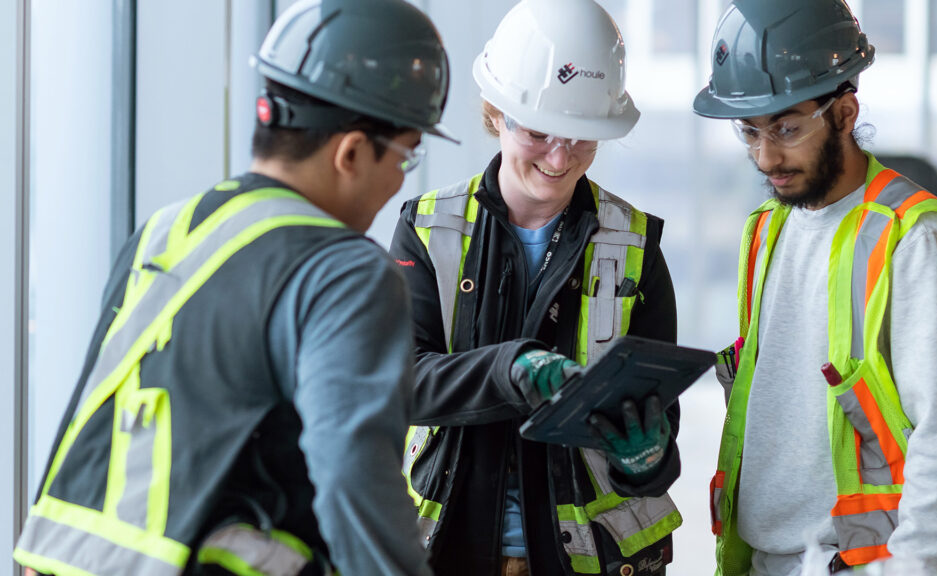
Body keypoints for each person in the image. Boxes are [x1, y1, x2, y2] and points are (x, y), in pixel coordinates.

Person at [13, 1, 454, 574]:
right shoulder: (345, 271)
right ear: (350, 152)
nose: (401, 180)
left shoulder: (167, 230)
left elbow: (91, 419)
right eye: (406, 155)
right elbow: (356, 479)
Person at [692, 1, 937, 575]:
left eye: (786, 128)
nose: (766, 156)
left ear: (844, 112)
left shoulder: (917, 240)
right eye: (749, 131)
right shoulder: (766, 229)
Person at [388, 1, 682, 574]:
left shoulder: (635, 245)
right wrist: (509, 369)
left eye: (582, 135)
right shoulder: (426, 229)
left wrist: (645, 459)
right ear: (496, 113)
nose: (560, 156)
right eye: (540, 131)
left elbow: (659, 431)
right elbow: (400, 383)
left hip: (590, 560)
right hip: (449, 552)